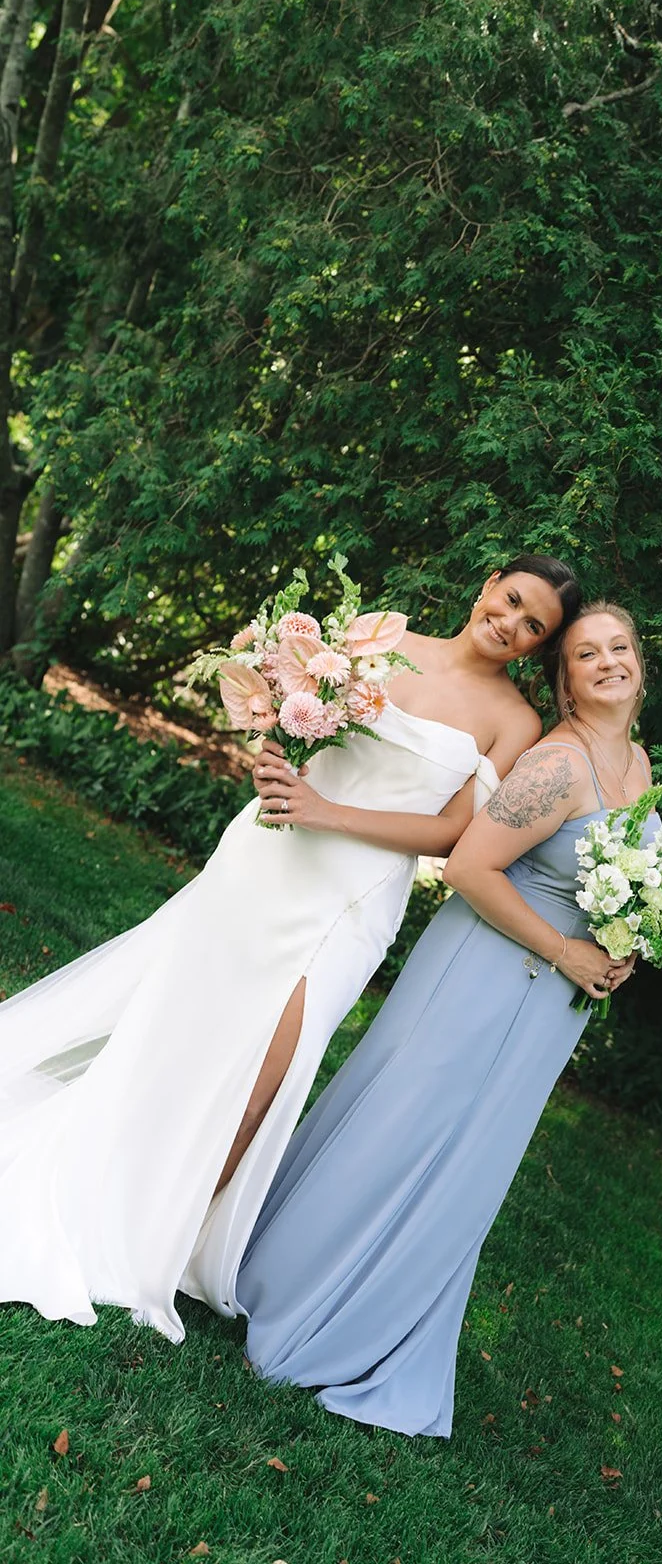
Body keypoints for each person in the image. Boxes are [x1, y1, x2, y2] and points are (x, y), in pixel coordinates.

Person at [0, 555, 580, 1342]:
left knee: (263, 1080)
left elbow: (453, 834)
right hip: (266, 860)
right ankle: (107, 1190)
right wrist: (274, 758)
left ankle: (159, 1250)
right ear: (485, 587)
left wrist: (329, 812)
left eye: (532, 625)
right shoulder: (381, 636)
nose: (510, 623)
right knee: (176, 1036)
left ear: (537, 646)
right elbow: (291, 716)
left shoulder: (515, 723)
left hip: (353, 898)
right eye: (510, 600)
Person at [237, 603, 655, 1437]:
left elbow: (614, 879)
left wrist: (621, 940)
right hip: (483, 972)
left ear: (638, 662)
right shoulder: (557, 764)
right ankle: (287, 1293)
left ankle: (386, 1319)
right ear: (565, 681)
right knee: (403, 1127)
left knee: (471, 1161)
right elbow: (468, 865)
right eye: (584, 654)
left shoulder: (637, 764)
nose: (606, 662)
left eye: (618, 649)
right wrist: (564, 949)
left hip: (548, 1001)